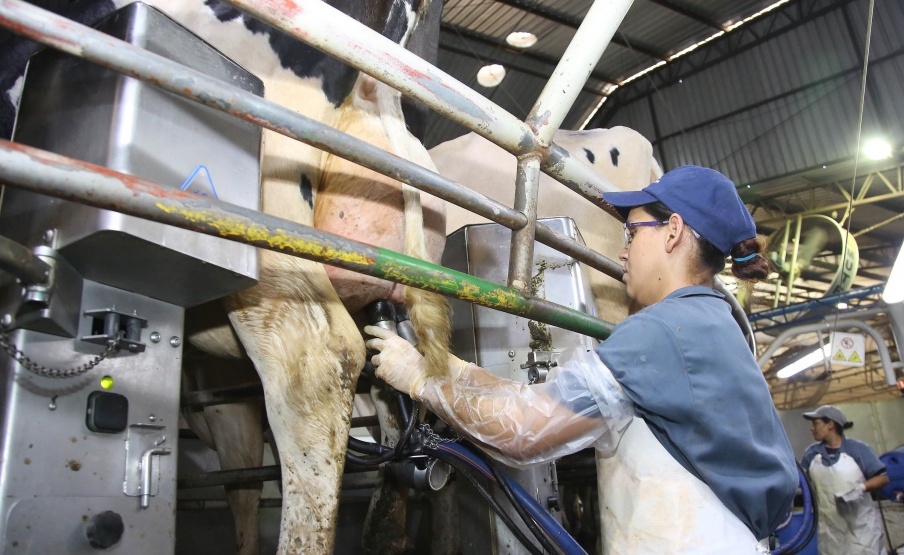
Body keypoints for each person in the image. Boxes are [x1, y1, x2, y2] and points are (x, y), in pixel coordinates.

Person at [365, 165, 798, 553]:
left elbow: (525, 430)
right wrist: (456, 371)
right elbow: (536, 403)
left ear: (674, 231)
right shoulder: (709, 323)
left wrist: (421, 379)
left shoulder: (662, 330)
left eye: (632, 234)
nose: (624, 252)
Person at [801, 405, 890, 554]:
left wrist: (860, 489)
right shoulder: (812, 454)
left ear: (830, 424)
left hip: (862, 531)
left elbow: (883, 478)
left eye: (815, 423)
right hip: (830, 531)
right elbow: (802, 483)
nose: (811, 428)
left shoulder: (858, 450)